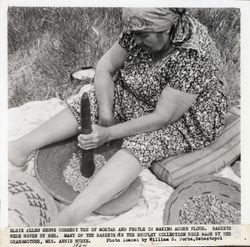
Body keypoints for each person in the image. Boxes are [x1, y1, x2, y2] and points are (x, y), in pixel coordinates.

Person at [8, 8, 227, 226]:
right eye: (133, 34)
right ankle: (20, 148)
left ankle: (72, 214)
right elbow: (105, 67)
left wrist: (109, 133)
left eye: (143, 36)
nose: (136, 40)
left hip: (185, 116)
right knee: (94, 98)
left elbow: (163, 117)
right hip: (144, 94)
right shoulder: (138, 28)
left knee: (146, 141)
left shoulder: (193, 54)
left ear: (167, 29)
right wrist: (106, 117)